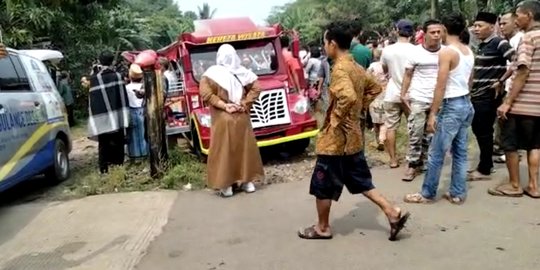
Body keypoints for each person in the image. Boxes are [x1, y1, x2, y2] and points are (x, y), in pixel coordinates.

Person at [298, 21, 410, 241]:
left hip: (336, 141)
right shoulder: (355, 66)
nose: (324, 47)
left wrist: (337, 118)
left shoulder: (340, 68)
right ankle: (392, 211)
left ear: (332, 43)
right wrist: (359, 109)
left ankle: (322, 228)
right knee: (361, 182)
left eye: (325, 42)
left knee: (322, 185)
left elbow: (348, 96)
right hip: (354, 138)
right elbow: (375, 86)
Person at [404, 13, 475, 205]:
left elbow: (441, 85)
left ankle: (427, 193)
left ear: (444, 29)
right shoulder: (467, 50)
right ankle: (457, 193)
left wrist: (433, 113)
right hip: (465, 102)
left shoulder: (447, 52)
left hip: (452, 104)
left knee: (437, 153)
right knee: (460, 151)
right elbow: (470, 80)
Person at [199, 44, 264, 198]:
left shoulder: (210, 74)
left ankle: (226, 185)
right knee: (245, 149)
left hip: (223, 117)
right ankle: (247, 182)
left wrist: (224, 105)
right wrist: (244, 103)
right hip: (241, 116)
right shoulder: (243, 72)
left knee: (224, 150)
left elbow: (206, 94)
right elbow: (257, 88)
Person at [490, 0, 540, 198]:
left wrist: (508, 101)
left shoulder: (528, 39)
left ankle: (514, 184)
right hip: (538, 105)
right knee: (535, 145)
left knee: (510, 145)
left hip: (522, 104)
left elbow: (522, 71)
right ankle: (534, 186)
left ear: (528, 15)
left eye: (518, 15)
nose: (516, 19)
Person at [469, 12, 515, 181]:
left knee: (483, 132)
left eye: (479, 26)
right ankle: (485, 164)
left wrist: (501, 80)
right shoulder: (482, 45)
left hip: (487, 97)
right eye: (475, 26)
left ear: (491, 26)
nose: (476, 29)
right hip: (477, 95)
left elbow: (517, 61)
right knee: (480, 130)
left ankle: (485, 168)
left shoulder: (499, 42)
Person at [400, 19, 444, 181]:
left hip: (438, 99)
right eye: (433, 32)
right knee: (415, 132)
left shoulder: (445, 52)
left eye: (439, 32)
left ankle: (424, 162)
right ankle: (412, 164)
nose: (436, 35)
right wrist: (403, 93)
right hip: (418, 97)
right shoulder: (415, 52)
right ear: (424, 34)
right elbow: (408, 74)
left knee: (431, 134)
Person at [381, 19, 417, 168]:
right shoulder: (416, 50)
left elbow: (385, 69)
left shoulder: (388, 50)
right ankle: (413, 157)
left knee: (391, 127)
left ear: (397, 30)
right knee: (414, 127)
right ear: (412, 33)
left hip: (392, 93)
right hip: (411, 94)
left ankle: (393, 160)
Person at [88, 51, 130, 174]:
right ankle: (119, 165)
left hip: (101, 117)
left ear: (100, 61)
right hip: (117, 115)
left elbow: (93, 100)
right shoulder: (117, 76)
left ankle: (103, 168)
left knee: (103, 143)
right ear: (112, 62)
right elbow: (122, 97)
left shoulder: (94, 78)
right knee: (119, 140)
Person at [493, 12, 525, 164]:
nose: (501, 26)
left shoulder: (518, 40)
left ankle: (512, 151)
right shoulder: (511, 40)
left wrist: (501, 80)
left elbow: (516, 65)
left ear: (515, 23)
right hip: (509, 85)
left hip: (514, 86)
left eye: (505, 23)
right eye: (500, 23)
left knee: (508, 120)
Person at [125, 64, 148, 160]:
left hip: (132, 111)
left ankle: (135, 154)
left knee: (133, 133)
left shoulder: (126, 87)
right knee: (144, 133)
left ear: (130, 76)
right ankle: (145, 152)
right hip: (143, 110)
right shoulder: (145, 86)